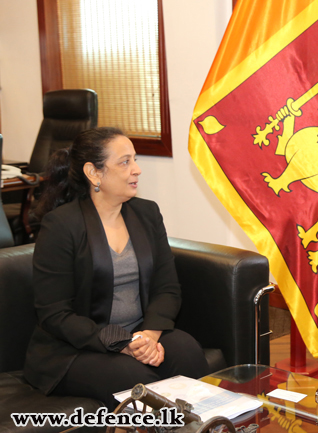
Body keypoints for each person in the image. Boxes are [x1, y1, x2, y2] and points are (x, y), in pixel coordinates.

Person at [23, 127, 210, 410]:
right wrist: (122, 343)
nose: (136, 170)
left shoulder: (146, 213)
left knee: (188, 353)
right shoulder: (61, 226)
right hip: (75, 347)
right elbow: (55, 314)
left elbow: (167, 288)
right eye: (125, 162)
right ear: (94, 173)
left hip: (138, 333)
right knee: (137, 382)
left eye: (134, 159)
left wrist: (149, 336)